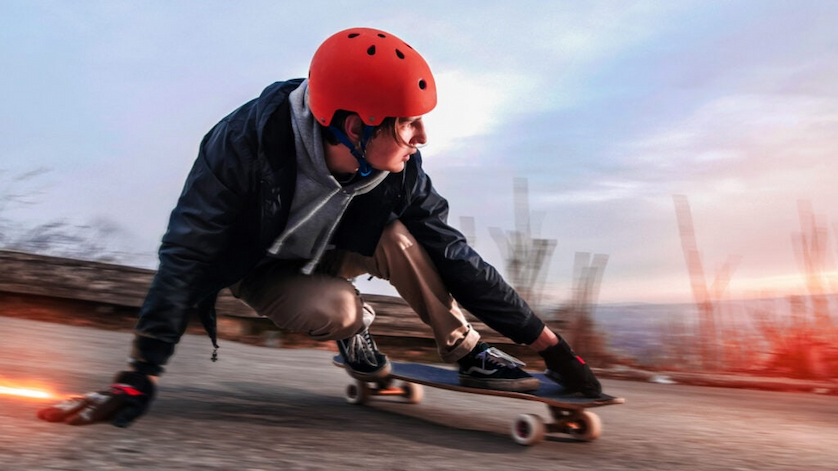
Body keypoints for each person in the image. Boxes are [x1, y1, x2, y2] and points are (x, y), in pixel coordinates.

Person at [37, 27, 601, 428]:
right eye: (408, 125)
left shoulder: (398, 169)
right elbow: (186, 253)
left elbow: (453, 255)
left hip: (336, 247)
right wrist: (141, 372)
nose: (421, 138)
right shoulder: (240, 146)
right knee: (338, 310)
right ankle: (355, 332)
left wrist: (550, 346)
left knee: (402, 237)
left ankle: (468, 351)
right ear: (355, 127)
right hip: (265, 270)